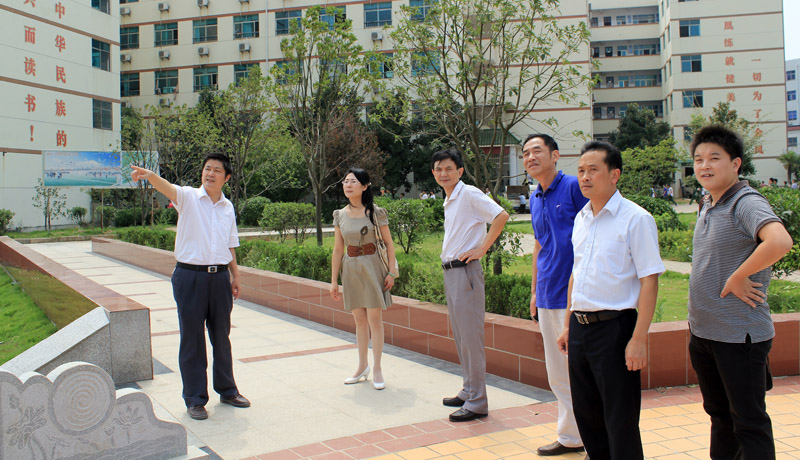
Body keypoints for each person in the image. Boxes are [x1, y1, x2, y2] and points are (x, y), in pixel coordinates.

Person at [688, 125, 793, 460]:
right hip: (705, 334)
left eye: (714, 158)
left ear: (735, 164)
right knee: (720, 417)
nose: (704, 165)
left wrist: (738, 276)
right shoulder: (709, 202)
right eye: (698, 159)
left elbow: (780, 241)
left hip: (739, 337)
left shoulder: (745, 202)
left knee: (748, 422)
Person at [556, 140, 664, 460]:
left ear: (614, 175)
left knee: (620, 419)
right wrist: (568, 324)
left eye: (593, 170)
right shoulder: (581, 218)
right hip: (580, 328)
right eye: (580, 171)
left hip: (615, 329)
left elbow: (649, 280)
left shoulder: (636, 219)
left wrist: (639, 338)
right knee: (587, 414)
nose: (585, 177)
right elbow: (577, 273)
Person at [130, 153, 250, 421]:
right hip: (190, 276)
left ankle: (228, 391)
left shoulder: (227, 207)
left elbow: (230, 244)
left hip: (219, 277)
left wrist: (235, 276)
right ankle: (195, 399)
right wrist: (150, 176)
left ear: (227, 177)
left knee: (221, 336)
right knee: (192, 338)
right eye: (207, 169)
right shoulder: (188, 197)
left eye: (216, 170)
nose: (210, 174)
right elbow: (167, 187)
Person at [433, 147, 509, 422]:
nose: (443, 173)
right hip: (452, 273)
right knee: (461, 337)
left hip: (466, 272)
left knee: (471, 338)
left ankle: (477, 401)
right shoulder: (451, 198)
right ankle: (468, 390)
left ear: (460, 171)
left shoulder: (469, 194)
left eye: (449, 168)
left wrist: (482, 249)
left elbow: (501, 216)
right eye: (438, 169)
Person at [523, 134, 588, 456]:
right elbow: (539, 245)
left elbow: (594, 231)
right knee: (558, 374)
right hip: (548, 294)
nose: (530, 157)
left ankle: (596, 438)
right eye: (525, 153)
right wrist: (534, 291)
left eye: (537, 151)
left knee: (582, 372)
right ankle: (571, 436)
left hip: (576, 295)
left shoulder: (574, 187)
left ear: (555, 155)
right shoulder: (535, 197)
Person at [330, 168, 398, 390]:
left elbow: (389, 243)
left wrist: (391, 272)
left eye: (353, 181)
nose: (348, 185)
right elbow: (338, 249)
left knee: (374, 319)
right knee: (359, 320)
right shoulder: (339, 215)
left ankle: (377, 368)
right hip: (351, 268)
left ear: (365, 186)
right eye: (345, 181)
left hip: (372, 266)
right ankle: (362, 366)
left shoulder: (375, 213)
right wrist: (333, 281)